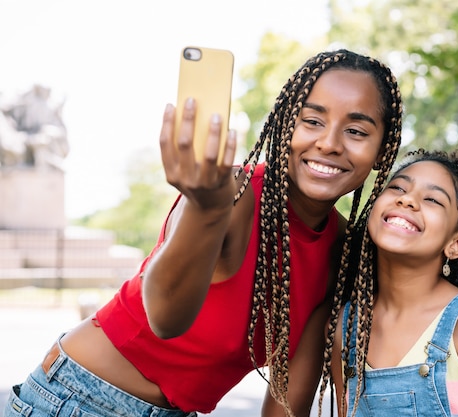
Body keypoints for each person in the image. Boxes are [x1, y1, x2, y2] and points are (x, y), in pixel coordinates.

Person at [3, 49, 403, 417]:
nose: (329, 143)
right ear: (285, 124)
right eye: (312, 121)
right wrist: (206, 208)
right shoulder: (229, 194)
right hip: (79, 397)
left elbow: (287, 399)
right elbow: (166, 317)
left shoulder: (343, 252)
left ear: (382, 149)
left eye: (356, 131)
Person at [318, 148, 458, 417]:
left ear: (455, 245)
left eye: (432, 199)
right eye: (397, 188)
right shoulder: (343, 329)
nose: (407, 200)